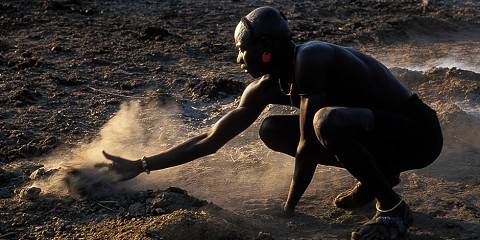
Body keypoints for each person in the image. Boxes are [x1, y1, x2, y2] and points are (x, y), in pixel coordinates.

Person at [100, 6, 443, 240]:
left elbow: (309, 145)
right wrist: (142, 164)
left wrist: (289, 209)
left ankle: (393, 208)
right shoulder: (268, 84)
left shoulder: (311, 57)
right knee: (272, 129)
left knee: (325, 121)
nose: (238, 59)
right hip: (379, 135)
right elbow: (210, 138)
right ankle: (377, 177)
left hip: (418, 136)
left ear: (265, 48)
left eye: (242, 49)